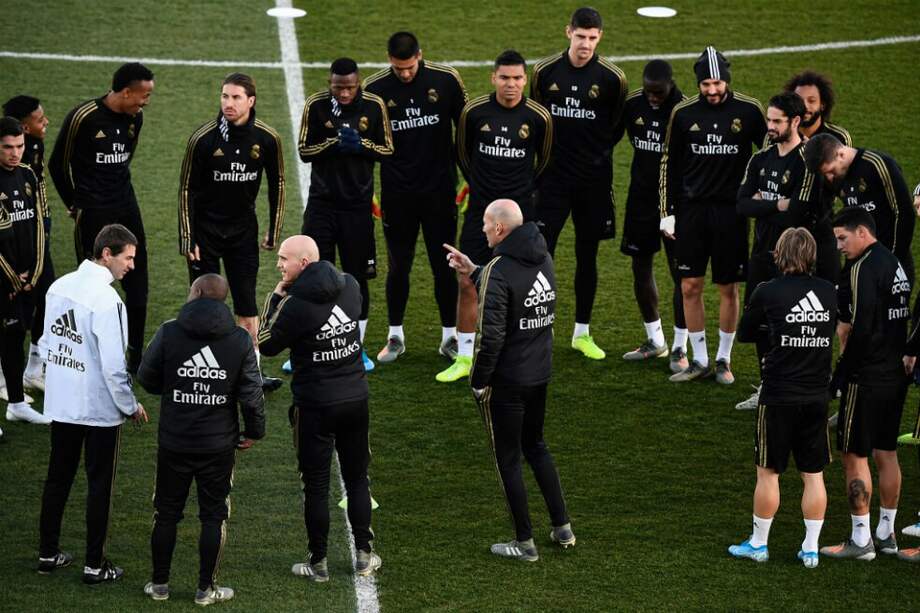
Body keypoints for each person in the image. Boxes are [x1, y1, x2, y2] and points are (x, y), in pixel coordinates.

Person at [444, 199, 574, 562]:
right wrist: (475, 271)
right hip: (539, 373)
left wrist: (478, 380)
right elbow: (513, 291)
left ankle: (524, 542)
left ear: (500, 228)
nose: (483, 229)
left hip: (508, 381)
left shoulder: (499, 269)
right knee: (537, 446)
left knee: (508, 459)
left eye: (486, 224)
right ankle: (562, 526)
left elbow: (491, 337)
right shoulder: (543, 258)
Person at [137, 274, 265, 605]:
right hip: (218, 445)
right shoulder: (239, 339)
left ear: (196, 292)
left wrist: (176, 388)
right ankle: (206, 589)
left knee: (166, 513)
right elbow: (252, 393)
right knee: (213, 516)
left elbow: (146, 377)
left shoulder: (169, 331)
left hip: (174, 441)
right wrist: (254, 431)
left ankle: (160, 585)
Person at [258, 235, 380, 581]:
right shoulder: (350, 286)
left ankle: (318, 562)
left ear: (304, 263)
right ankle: (364, 554)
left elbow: (265, 343)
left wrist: (276, 296)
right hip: (355, 400)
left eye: (284, 259)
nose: (278, 265)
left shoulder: (295, 305)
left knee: (315, 485)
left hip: (314, 406)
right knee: (357, 479)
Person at [37, 223, 148, 584]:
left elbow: (47, 343)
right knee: (100, 486)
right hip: (99, 411)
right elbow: (114, 367)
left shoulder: (59, 286)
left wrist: (62, 381)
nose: (132, 265)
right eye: (128, 258)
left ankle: (47, 553)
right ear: (106, 254)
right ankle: (94, 565)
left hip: (63, 404)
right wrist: (130, 405)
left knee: (58, 478)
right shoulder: (108, 301)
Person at [439, 50, 552, 383]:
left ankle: (514, 353)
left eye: (517, 78)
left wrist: (521, 192)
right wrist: (481, 186)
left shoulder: (539, 117)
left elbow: (544, 161)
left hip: (520, 218)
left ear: (525, 80)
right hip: (481, 213)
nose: (511, 84)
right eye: (504, 78)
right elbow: (462, 153)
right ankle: (464, 356)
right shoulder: (474, 112)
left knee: (521, 285)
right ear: (493, 78)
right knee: (466, 279)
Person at [659, 46, 766, 384]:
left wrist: (760, 190)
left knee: (727, 286)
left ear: (727, 80)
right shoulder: (683, 113)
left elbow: (770, 153)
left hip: (731, 213)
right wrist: (666, 212)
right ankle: (699, 359)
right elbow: (668, 163)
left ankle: (723, 359)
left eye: (717, 83)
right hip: (691, 212)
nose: (712, 90)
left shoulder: (750, 110)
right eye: (706, 84)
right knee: (689, 285)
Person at [729, 228, 835, 568]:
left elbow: (746, 332)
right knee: (813, 475)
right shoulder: (828, 292)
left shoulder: (767, 291)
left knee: (768, 472)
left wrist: (776, 328)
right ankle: (811, 549)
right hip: (816, 394)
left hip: (778, 395)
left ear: (780, 254)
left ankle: (759, 544)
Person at [363, 32, 468, 364]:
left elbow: (467, 128)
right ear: (389, 60)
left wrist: (469, 178)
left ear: (420, 56)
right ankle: (395, 335)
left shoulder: (446, 80)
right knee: (398, 266)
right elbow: (366, 144)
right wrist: (367, 189)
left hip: (440, 192)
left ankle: (449, 337)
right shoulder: (375, 88)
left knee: (444, 265)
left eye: (409, 67)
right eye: (398, 68)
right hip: (397, 195)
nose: (405, 74)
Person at [178, 72, 286, 391]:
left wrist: (273, 230)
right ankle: (203, 370)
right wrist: (188, 237)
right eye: (225, 96)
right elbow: (186, 189)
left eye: (236, 97)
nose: (229, 103)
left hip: (243, 233)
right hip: (205, 234)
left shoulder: (267, 138)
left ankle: (252, 374)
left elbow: (278, 184)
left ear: (251, 101)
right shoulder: (203, 139)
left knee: (247, 305)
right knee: (205, 306)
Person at [529, 7, 626, 360]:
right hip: (551, 181)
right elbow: (535, 119)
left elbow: (615, 127)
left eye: (592, 38)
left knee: (588, 255)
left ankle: (582, 333)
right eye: (580, 36)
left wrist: (591, 156)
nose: (585, 44)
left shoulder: (613, 79)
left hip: (593, 184)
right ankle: (541, 328)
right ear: (568, 32)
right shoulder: (544, 72)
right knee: (542, 254)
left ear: (600, 37)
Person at [48, 62, 154, 374]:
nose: (146, 102)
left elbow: (126, 159)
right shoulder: (84, 117)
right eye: (144, 95)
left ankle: (135, 355)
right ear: (126, 92)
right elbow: (57, 164)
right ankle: (87, 352)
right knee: (91, 285)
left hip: (127, 207)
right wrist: (74, 203)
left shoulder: (135, 118)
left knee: (138, 279)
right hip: (93, 212)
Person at [819, 208, 910, 561]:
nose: (839, 246)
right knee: (886, 451)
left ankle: (861, 540)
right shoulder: (893, 262)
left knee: (854, 454)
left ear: (862, 232)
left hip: (867, 375)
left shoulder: (862, 268)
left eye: (842, 238)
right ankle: (886, 534)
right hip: (895, 373)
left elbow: (862, 327)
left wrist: (841, 375)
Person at [298, 58, 393, 372]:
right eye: (338, 87)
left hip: (357, 208)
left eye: (350, 87)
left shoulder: (374, 105)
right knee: (313, 275)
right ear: (330, 83)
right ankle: (309, 347)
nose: (344, 93)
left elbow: (388, 149)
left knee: (356, 278)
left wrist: (361, 145)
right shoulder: (316, 105)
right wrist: (333, 143)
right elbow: (304, 150)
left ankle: (356, 348)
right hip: (321, 206)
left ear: (358, 83)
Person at [734, 92, 814, 410]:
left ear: (795, 121)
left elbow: (797, 213)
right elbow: (742, 205)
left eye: (777, 121)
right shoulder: (761, 158)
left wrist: (764, 205)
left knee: (793, 326)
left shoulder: (807, 160)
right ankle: (767, 386)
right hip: (761, 255)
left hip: (795, 260)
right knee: (761, 324)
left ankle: (795, 388)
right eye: (768, 120)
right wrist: (776, 204)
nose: (770, 126)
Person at [616, 60, 688, 370]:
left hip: (675, 204)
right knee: (640, 265)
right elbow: (612, 135)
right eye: (648, 91)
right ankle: (655, 339)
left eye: (658, 92)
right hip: (641, 200)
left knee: (681, 273)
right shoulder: (634, 104)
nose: (653, 97)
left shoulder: (685, 111)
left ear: (671, 84)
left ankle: (681, 347)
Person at [803, 133, 915, 284]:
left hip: (892, 261)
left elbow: (905, 213)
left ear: (841, 154)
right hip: (860, 265)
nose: (829, 178)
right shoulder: (837, 177)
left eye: (831, 171)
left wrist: (892, 260)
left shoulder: (877, 165)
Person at [2, 96, 52, 393]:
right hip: (7, 268)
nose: (16, 152)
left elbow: (39, 215)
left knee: (43, 299)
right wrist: (11, 275)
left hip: (30, 256)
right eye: (9, 147)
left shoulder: (27, 171)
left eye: (19, 146)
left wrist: (35, 268)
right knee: (9, 325)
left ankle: (32, 369)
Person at [783, 71, 851, 145]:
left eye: (811, 101)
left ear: (822, 105)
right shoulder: (780, 134)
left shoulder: (838, 137)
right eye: (799, 100)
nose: (805, 106)